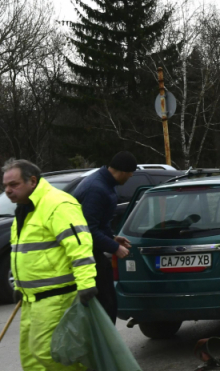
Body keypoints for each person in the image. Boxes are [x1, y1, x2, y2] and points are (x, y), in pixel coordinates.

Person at [4, 159, 96, 371]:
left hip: (56, 297)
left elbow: (80, 246)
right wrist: (19, 286)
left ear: (32, 181)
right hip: (30, 299)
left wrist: (86, 283)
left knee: (50, 353)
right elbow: (25, 253)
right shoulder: (25, 208)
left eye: (14, 184)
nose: (8, 190)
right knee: (31, 358)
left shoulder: (58, 204)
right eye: (5, 186)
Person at [72, 151, 137, 323]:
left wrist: (113, 238)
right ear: (122, 171)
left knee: (108, 300)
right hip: (85, 254)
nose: (129, 178)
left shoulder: (105, 183)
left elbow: (100, 223)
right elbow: (87, 230)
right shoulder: (96, 189)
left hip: (92, 250)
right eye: (130, 174)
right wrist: (115, 248)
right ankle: (104, 345)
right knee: (105, 303)